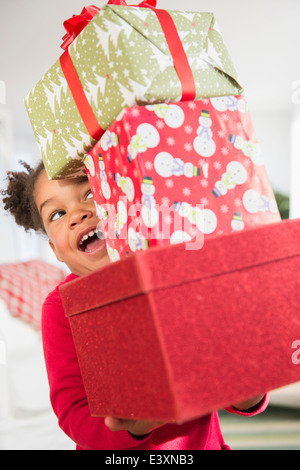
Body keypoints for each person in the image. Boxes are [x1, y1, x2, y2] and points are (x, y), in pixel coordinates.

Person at [1, 160, 268, 450]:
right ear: (55, 251)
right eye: (57, 214)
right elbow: (73, 412)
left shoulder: (174, 275)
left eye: (90, 194)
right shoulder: (60, 307)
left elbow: (230, 373)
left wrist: (247, 390)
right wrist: (140, 424)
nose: (77, 215)